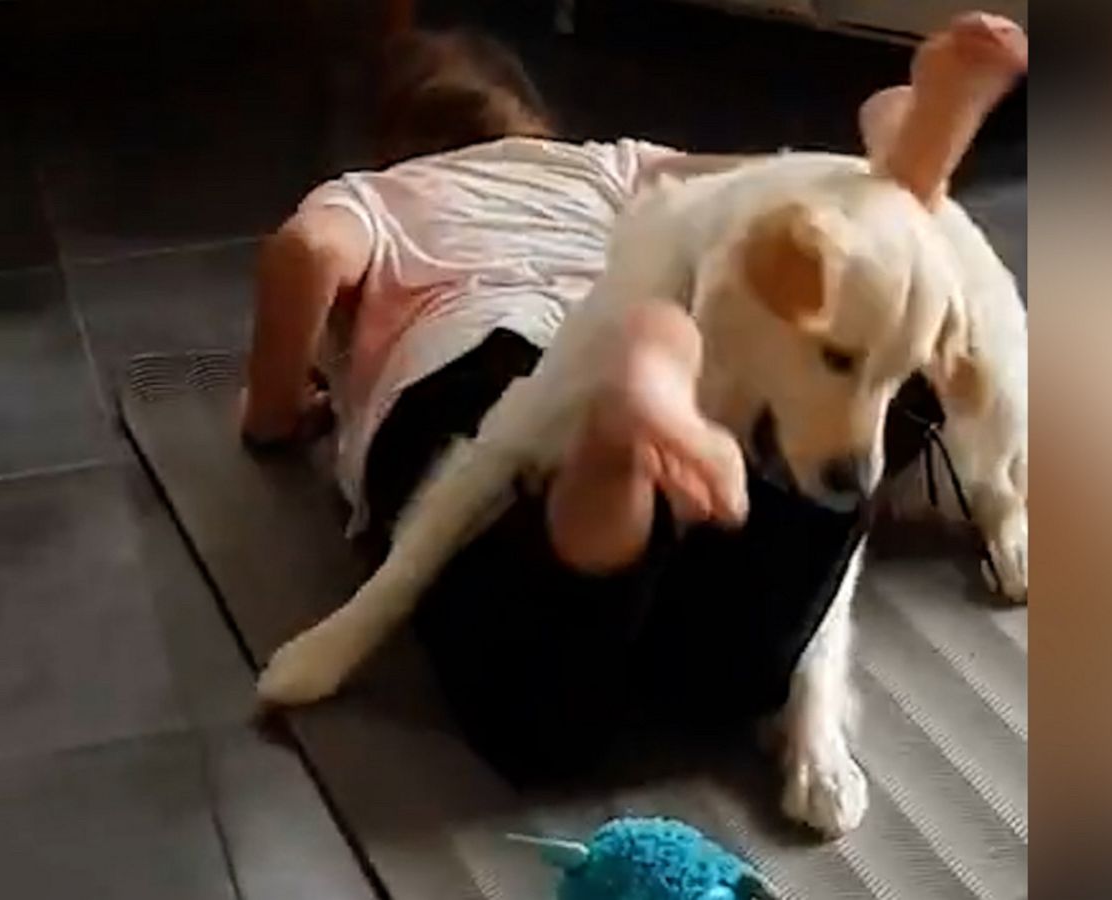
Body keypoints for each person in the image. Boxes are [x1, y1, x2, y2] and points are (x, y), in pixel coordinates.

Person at [240, 29, 917, 781]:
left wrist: (275, 405)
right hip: (619, 348)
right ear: (531, 115)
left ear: (393, 136)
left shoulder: (374, 191)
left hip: (476, 371)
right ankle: (777, 404)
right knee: (733, 676)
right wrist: (877, 171)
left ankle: (613, 447)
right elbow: (790, 189)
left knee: (541, 727)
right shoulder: (613, 163)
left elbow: (304, 253)